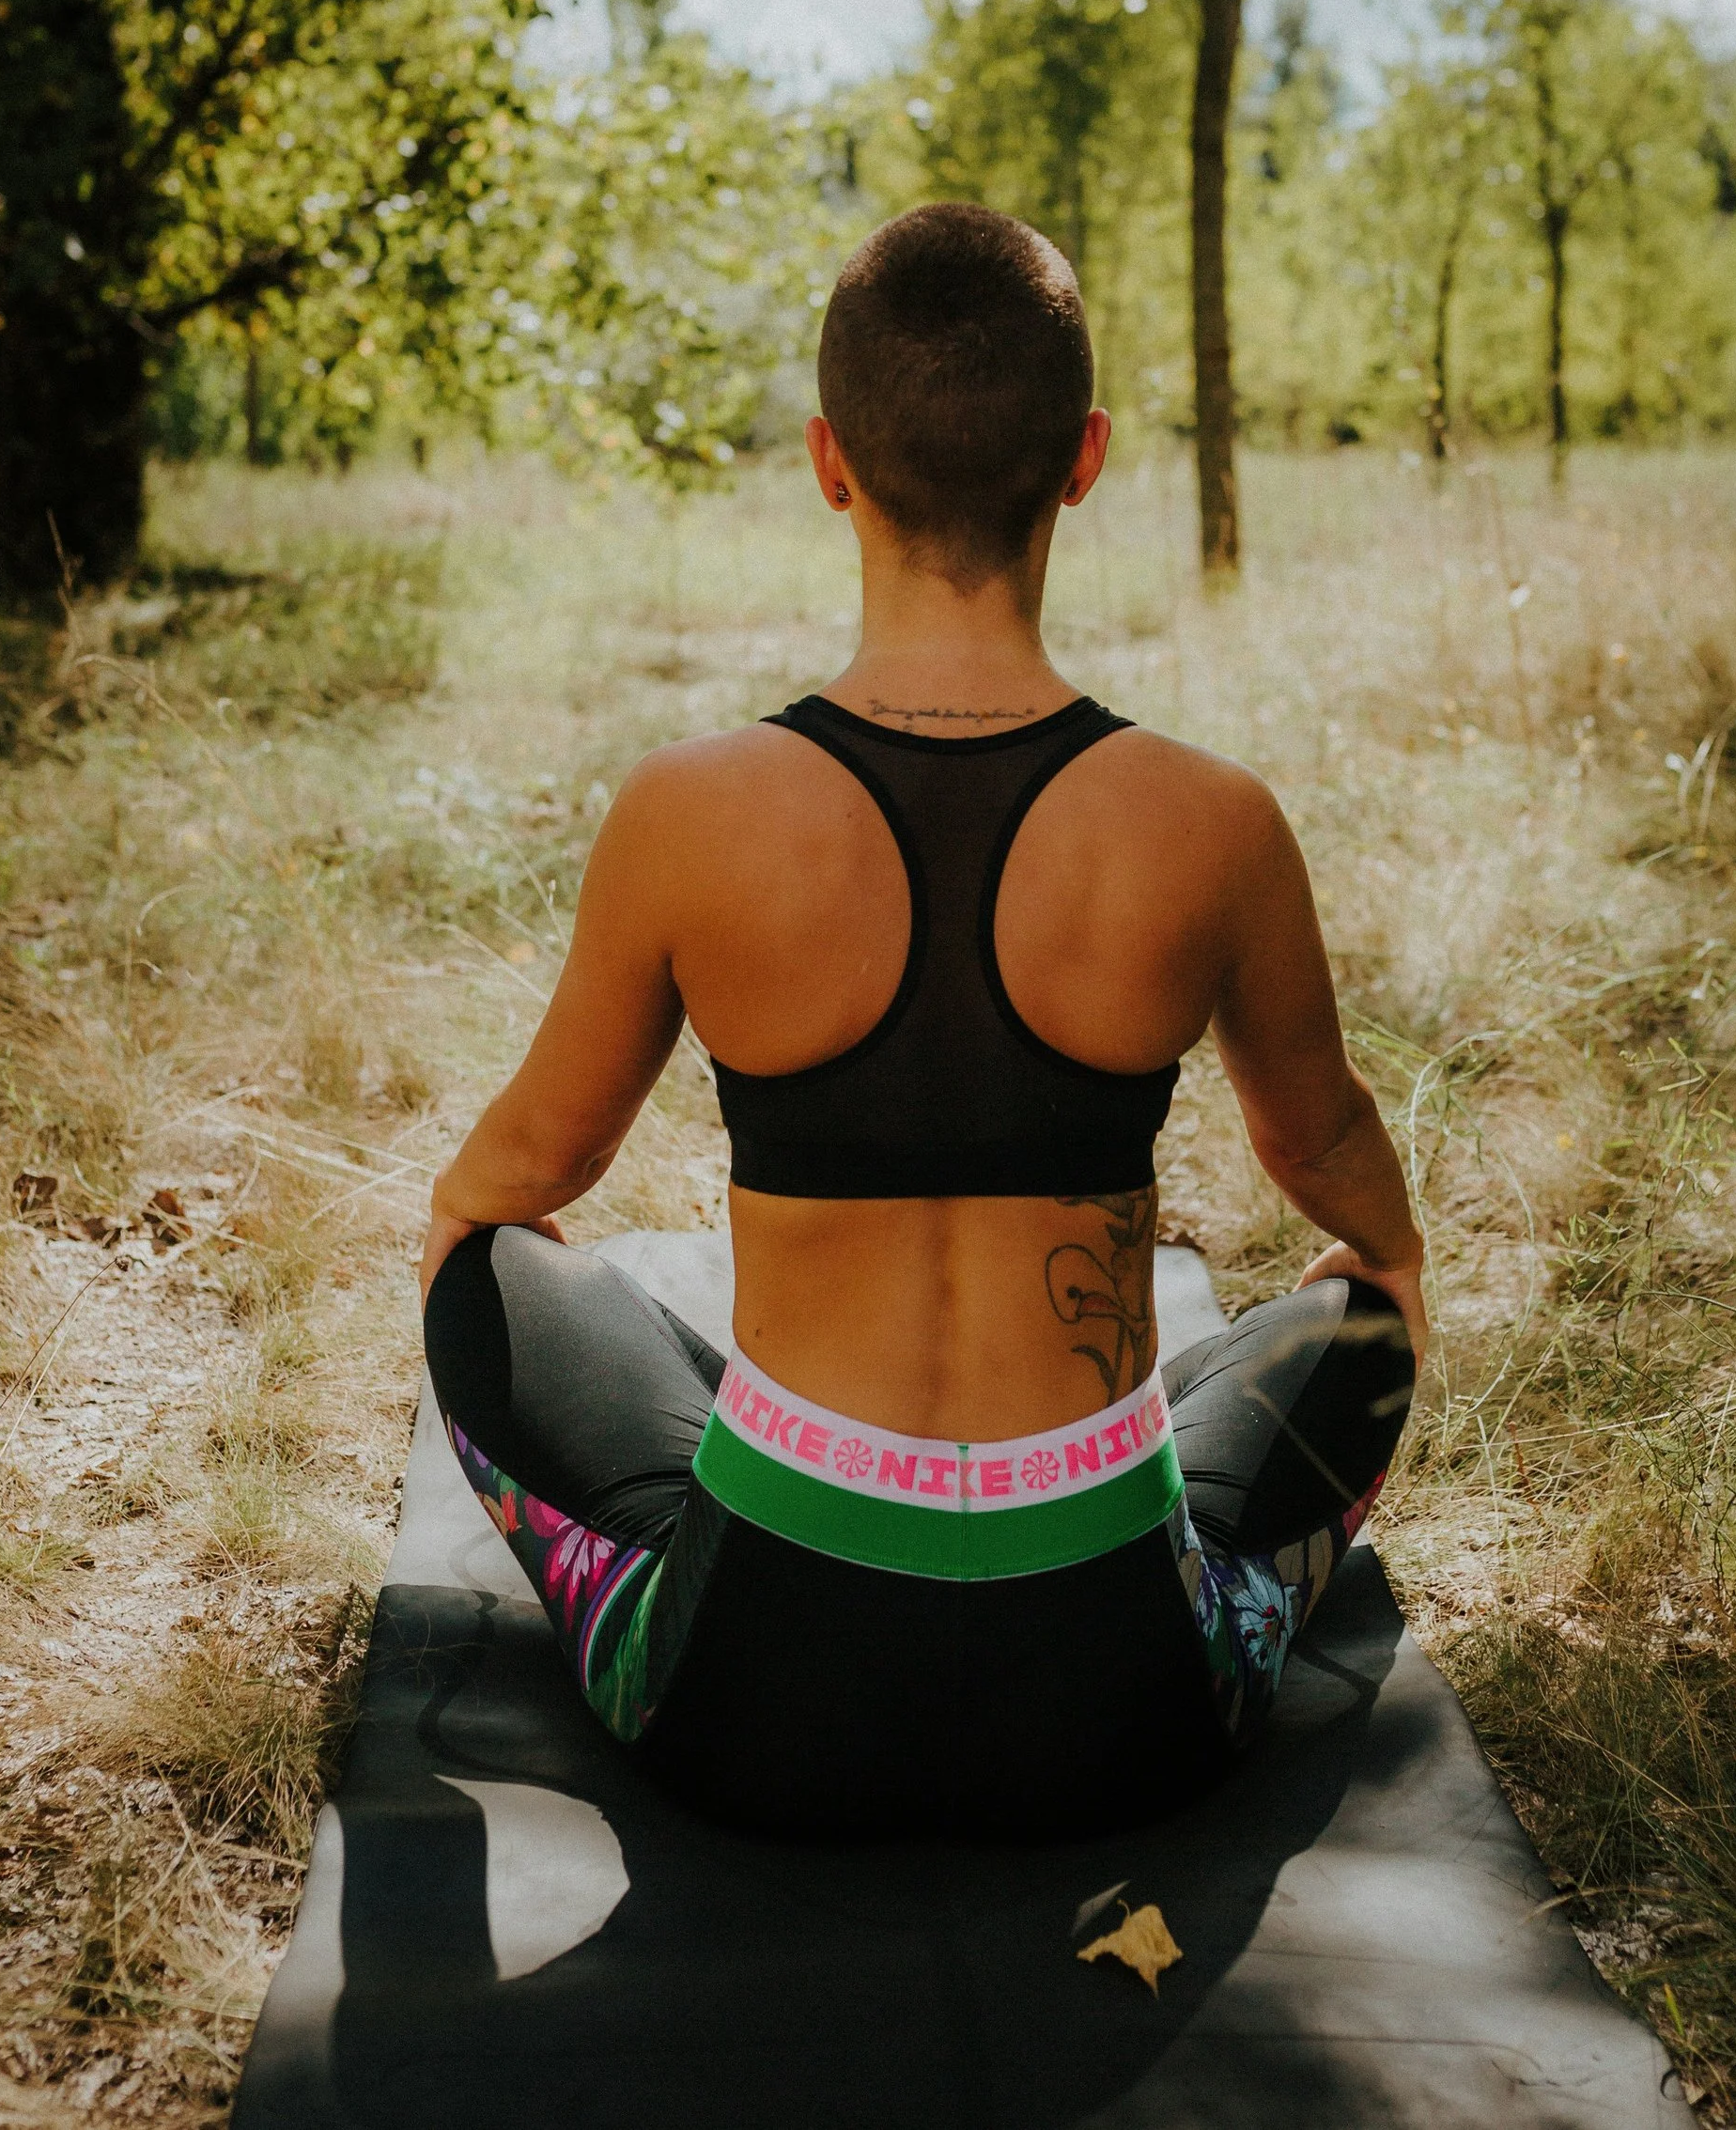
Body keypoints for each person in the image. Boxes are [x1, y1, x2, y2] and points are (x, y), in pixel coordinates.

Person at [420, 204, 1424, 1842]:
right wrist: (1395, 1271)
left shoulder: (689, 812)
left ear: (830, 461)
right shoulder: (1214, 823)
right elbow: (1318, 1142)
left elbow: (541, 1160)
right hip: (1131, 1709)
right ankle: (1117, 1481)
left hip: (750, 1704)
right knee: (1352, 1330)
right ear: (1085, 459)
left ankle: (764, 1471)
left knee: (499, 1279)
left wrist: (455, 1247)